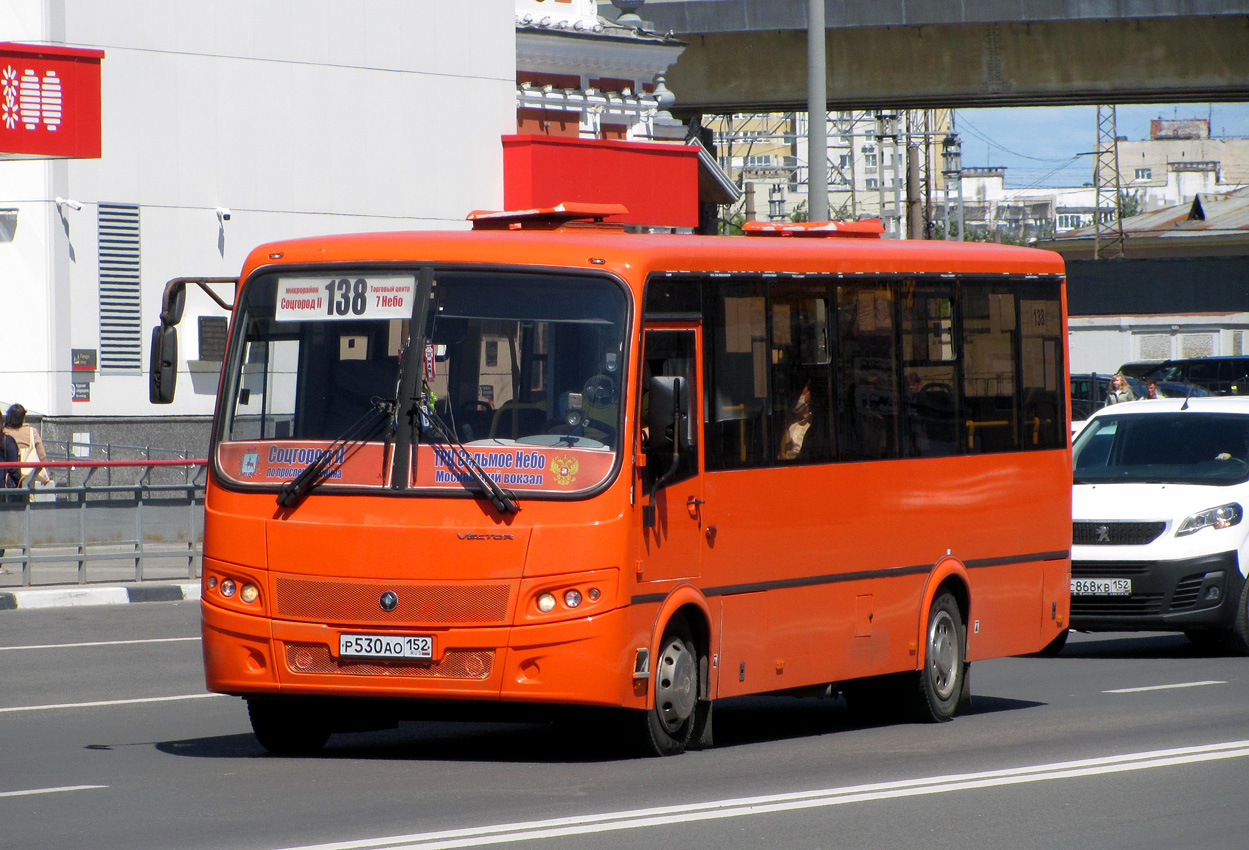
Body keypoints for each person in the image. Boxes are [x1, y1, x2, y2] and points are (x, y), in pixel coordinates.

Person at [3, 404, 50, 487]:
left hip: (7, 476)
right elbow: (41, 455)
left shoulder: (4, 433)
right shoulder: (32, 432)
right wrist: (47, 474)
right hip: (28, 475)